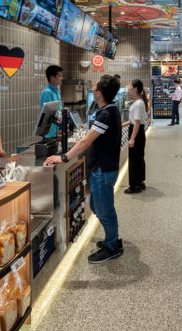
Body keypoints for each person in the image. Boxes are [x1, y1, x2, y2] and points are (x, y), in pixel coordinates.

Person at [44, 75, 123, 264]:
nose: (92, 89)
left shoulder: (106, 113)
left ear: (99, 93)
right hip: (101, 168)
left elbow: (87, 140)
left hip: (103, 170)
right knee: (97, 206)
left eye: (94, 87)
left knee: (105, 210)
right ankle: (112, 240)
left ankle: (112, 246)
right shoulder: (109, 109)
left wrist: (64, 157)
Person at [122, 79, 148, 194]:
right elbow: (133, 120)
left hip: (136, 133)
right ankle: (141, 182)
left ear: (136, 89)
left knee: (134, 159)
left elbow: (137, 122)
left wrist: (132, 139)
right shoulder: (139, 102)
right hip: (138, 131)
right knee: (139, 158)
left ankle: (134, 186)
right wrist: (123, 124)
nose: (128, 89)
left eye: (130, 87)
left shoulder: (138, 103)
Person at [40, 65, 63, 139]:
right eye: (59, 76)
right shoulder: (47, 92)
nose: (61, 78)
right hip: (49, 133)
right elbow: (49, 112)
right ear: (52, 78)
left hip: (57, 131)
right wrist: (61, 121)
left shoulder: (56, 91)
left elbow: (59, 109)